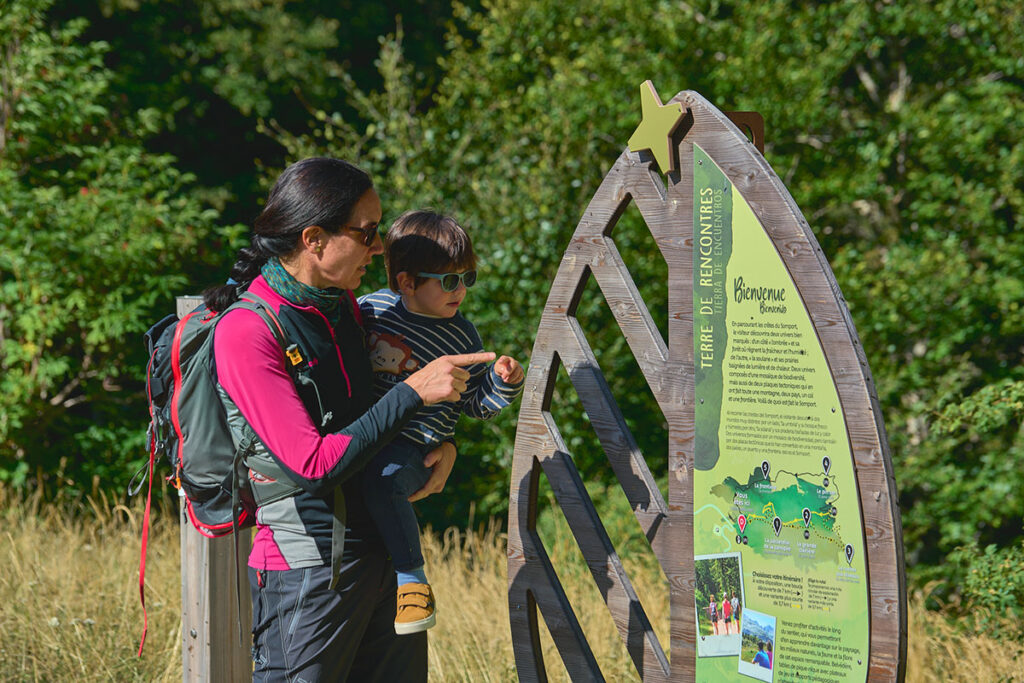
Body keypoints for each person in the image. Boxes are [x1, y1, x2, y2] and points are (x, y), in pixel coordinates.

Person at [203, 157, 494, 682]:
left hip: (381, 562)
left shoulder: (346, 308)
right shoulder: (248, 332)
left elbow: (375, 419)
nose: (380, 247)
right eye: (366, 233)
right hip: (307, 576)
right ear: (314, 239)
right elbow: (313, 464)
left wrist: (444, 446)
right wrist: (412, 392)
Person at [358, 210, 524, 634]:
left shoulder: (462, 336)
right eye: (449, 281)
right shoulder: (371, 311)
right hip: (363, 436)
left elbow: (474, 406)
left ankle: (413, 581)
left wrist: (504, 384)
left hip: (415, 450)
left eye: (467, 278)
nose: (461, 292)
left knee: (383, 477)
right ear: (406, 282)